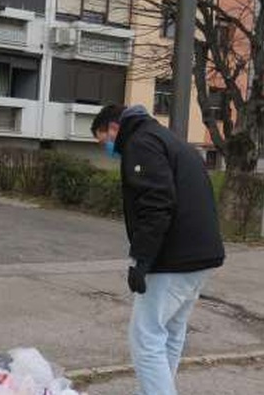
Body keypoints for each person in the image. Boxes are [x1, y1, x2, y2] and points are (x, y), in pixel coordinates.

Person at [91, 104, 225, 395]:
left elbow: (156, 204)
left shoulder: (141, 143)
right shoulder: (165, 137)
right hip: (201, 254)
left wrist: (141, 260)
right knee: (171, 332)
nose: (109, 149)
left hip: (175, 257)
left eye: (105, 141)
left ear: (115, 128)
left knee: (146, 336)